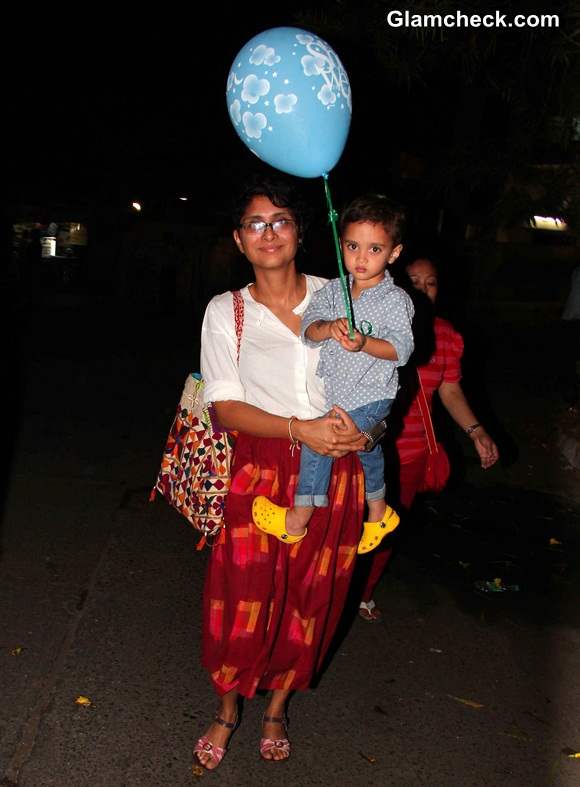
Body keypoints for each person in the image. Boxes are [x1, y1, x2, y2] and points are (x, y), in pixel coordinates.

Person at [195, 175, 369, 769]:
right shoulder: (227, 311)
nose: (269, 233)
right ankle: (226, 711)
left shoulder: (343, 297)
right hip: (257, 470)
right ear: (239, 240)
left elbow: (381, 379)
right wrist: (301, 428)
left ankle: (275, 707)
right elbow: (224, 405)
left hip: (337, 467)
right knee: (239, 595)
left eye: (281, 221)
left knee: (311, 596)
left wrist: (363, 429)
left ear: (300, 231)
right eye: (255, 223)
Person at [251, 195, 414, 554]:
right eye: (353, 246)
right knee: (368, 451)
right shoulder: (332, 291)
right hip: (341, 394)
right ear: (341, 247)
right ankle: (378, 512)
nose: (361, 257)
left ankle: (297, 519)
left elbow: (401, 350)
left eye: (375, 249)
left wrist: (365, 343)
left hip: (371, 394)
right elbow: (307, 329)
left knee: (318, 442)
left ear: (394, 253)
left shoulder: (395, 300)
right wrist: (326, 329)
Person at [358, 254, 500, 622]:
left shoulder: (448, 337)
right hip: (361, 446)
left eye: (431, 282)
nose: (422, 290)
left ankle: (363, 591)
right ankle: (334, 588)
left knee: (386, 525)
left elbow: (450, 391)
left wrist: (477, 432)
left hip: (411, 452)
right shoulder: (371, 326)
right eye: (413, 282)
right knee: (344, 522)